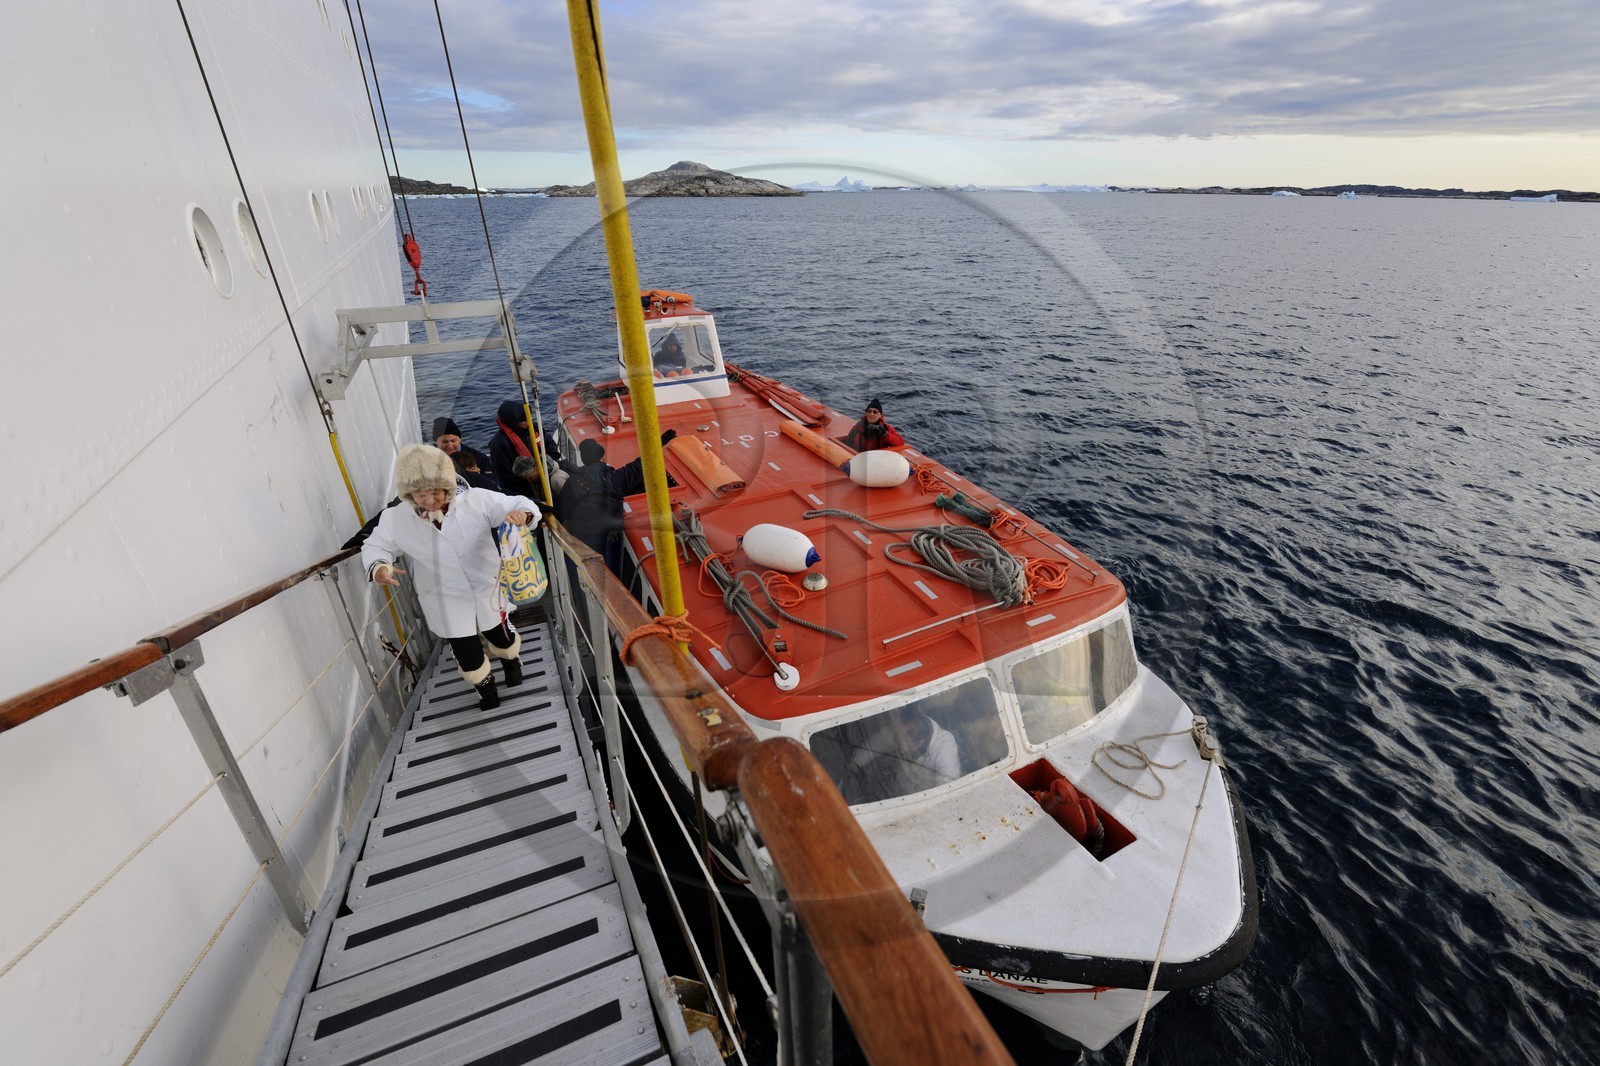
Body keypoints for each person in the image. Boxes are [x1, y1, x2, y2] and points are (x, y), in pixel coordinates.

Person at [361, 444, 550, 709]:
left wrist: (524, 514)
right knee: (467, 655)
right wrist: (380, 566)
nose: (428, 501)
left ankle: (511, 661)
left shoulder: (477, 500)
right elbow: (376, 545)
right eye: (419, 494)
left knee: (501, 636)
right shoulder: (396, 518)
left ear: (448, 486)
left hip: (487, 586)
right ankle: (487, 691)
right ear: (408, 493)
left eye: (435, 492)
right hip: (443, 595)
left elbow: (518, 503)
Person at [555, 431, 675, 575]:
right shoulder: (615, 479)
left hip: (584, 535)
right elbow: (641, 464)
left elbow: (562, 510)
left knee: (587, 569)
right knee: (610, 571)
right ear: (601, 457)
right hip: (610, 534)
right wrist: (660, 441)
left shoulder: (572, 482)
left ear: (584, 459)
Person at [895, 707, 960, 791]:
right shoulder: (903, 730)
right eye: (904, 723)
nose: (905, 729)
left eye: (910, 733)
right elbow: (876, 742)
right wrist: (897, 738)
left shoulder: (943, 748)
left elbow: (948, 786)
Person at [489, 400, 539, 496]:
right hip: (523, 487)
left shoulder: (534, 428)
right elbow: (506, 476)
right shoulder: (499, 444)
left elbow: (549, 445)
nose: (528, 422)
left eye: (528, 418)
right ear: (513, 423)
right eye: (523, 420)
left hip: (540, 475)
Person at [431, 416, 495, 487]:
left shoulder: (478, 457)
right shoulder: (429, 458)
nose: (450, 445)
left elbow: (492, 482)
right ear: (436, 442)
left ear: (460, 439)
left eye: (453, 441)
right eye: (444, 442)